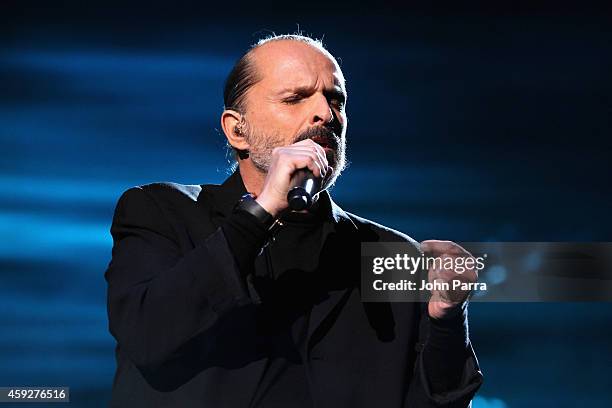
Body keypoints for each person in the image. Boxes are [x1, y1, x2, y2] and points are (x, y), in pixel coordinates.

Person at [104, 34, 483, 407]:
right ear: (238, 130)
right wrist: (263, 208)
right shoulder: (163, 213)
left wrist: (447, 321)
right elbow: (147, 336)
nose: (326, 113)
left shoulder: (387, 254)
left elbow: (439, 401)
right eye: (295, 98)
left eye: (336, 100)